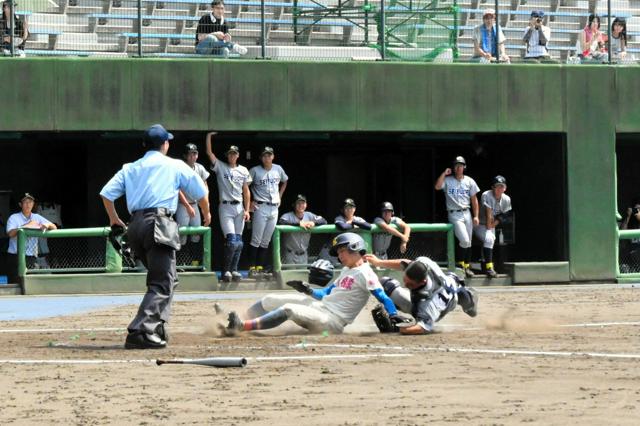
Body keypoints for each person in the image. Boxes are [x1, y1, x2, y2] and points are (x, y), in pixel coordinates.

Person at [100, 124, 211, 350]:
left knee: (169, 279)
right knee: (162, 282)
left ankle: (157, 326)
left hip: (135, 226)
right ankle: (140, 330)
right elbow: (201, 191)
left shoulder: (130, 167)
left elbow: (106, 193)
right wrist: (206, 212)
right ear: (165, 144)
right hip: (159, 223)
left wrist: (114, 219)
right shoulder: (173, 164)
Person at [225, 232, 411, 335]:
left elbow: (382, 296)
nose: (339, 255)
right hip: (321, 306)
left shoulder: (366, 273)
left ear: (355, 248)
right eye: (338, 252)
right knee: (271, 298)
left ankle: (243, 326)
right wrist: (308, 290)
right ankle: (233, 320)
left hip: (333, 321)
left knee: (289, 309)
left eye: (342, 251)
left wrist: (393, 314)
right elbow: (326, 294)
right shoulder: (347, 270)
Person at [365, 254, 478, 335]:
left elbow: (422, 328)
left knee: (467, 305)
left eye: (410, 284)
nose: (405, 284)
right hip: (444, 281)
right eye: (405, 279)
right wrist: (378, 262)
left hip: (448, 298)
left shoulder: (429, 304)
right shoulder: (423, 262)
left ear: (422, 282)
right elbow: (404, 263)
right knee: (385, 284)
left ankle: (469, 298)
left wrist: (396, 329)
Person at [204, 131, 251, 283]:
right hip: (225, 206)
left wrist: (247, 209)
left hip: (239, 207)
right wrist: (209, 136)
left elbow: (246, 190)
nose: (232, 156)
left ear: (238, 155)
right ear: (227, 155)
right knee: (231, 240)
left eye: (234, 154)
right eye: (230, 154)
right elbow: (209, 153)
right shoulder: (221, 167)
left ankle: (234, 270)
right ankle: (226, 271)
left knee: (239, 242)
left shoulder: (243, 170)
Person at [434, 156, 480, 278]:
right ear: (454, 168)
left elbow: (474, 200)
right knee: (464, 240)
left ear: (464, 167)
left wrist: (476, 216)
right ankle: (460, 266)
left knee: (468, 242)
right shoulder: (448, 180)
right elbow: (437, 187)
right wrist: (444, 173)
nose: (459, 168)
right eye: (456, 165)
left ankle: (466, 267)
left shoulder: (470, 181)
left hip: (467, 212)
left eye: (461, 165)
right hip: (454, 214)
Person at [247, 146, 288, 278]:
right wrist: (250, 202)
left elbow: (285, 181)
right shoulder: (254, 170)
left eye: (269, 155)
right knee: (256, 239)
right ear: (261, 158)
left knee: (266, 240)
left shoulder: (278, 168)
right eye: (264, 155)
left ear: (273, 156)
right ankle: (252, 267)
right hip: (261, 206)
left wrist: (280, 196)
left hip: (274, 207)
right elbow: (244, 185)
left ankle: (261, 267)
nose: (267, 157)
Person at [6, 193, 56, 284]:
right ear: (20, 204)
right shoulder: (14, 218)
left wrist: (47, 224)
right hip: (15, 257)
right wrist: (26, 226)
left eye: (30, 202)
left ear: (33, 204)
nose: (28, 204)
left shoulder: (37, 217)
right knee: (15, 285)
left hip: (31, 257)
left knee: (32, 284)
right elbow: (10, 233)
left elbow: (54, 227)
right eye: (25, 202)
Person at [473, 175, 512, 278]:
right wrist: (490, 227)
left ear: (505, 188)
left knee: (490, 239)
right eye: (497, 186)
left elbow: (504, 215)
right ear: (493, 187)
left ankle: (489, 267)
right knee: (490, 239)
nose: (499, 189)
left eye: (501, 186)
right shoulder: (487, 195)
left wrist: (493, 225)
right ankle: (489, 268)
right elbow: (488, 213)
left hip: (491, 224)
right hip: (480, 224)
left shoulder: (506, 199)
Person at [176, 143, 210, 251]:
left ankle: (195, 262)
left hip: (195, 204)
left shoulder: (200, 168)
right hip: (182, 205)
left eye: (195, 153)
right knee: (182, 235)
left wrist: (206, 208)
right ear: (185, 156)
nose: (192, 156)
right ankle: (182, 264)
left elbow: (205, 189)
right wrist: (187, 206)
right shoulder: (180, 167)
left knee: (196, 233)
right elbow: (178, 189)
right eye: (190, 154)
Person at [278, 194, 327, 265]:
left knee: (303, 275)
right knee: (289, 275)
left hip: (304, 255)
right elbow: (281, 222)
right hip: (290, 254)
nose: (301, 205)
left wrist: (313, 223)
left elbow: (323, 221)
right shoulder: (287, 216)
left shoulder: (309, 215)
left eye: (303, 203)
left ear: (306, 204)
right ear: (293, 204)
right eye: (298, 203)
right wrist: (299, 223)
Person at [619, 198, 640, 272]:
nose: (637, 212)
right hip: (631, 262)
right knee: (623, 268)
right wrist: (628, 216)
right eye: (636, 210)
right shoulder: (629, 223)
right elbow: (621, 236)